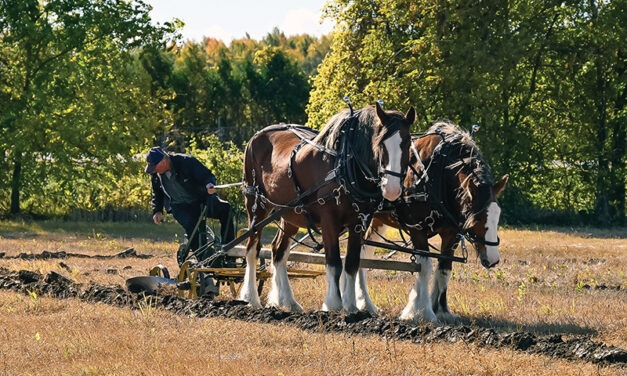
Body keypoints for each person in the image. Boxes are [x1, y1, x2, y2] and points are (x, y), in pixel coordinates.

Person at [145, 146, 235, 265]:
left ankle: (228, 252)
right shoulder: (155, 174)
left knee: (226, 209)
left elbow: (207, 175)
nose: (153, 170)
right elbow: (157, 192)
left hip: (201, 200)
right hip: (180, 207)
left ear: (164, 160)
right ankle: (207, 260)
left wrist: (209, 184)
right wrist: (157, 210)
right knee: (192, 229)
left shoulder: (186, 161)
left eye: (155, 167)